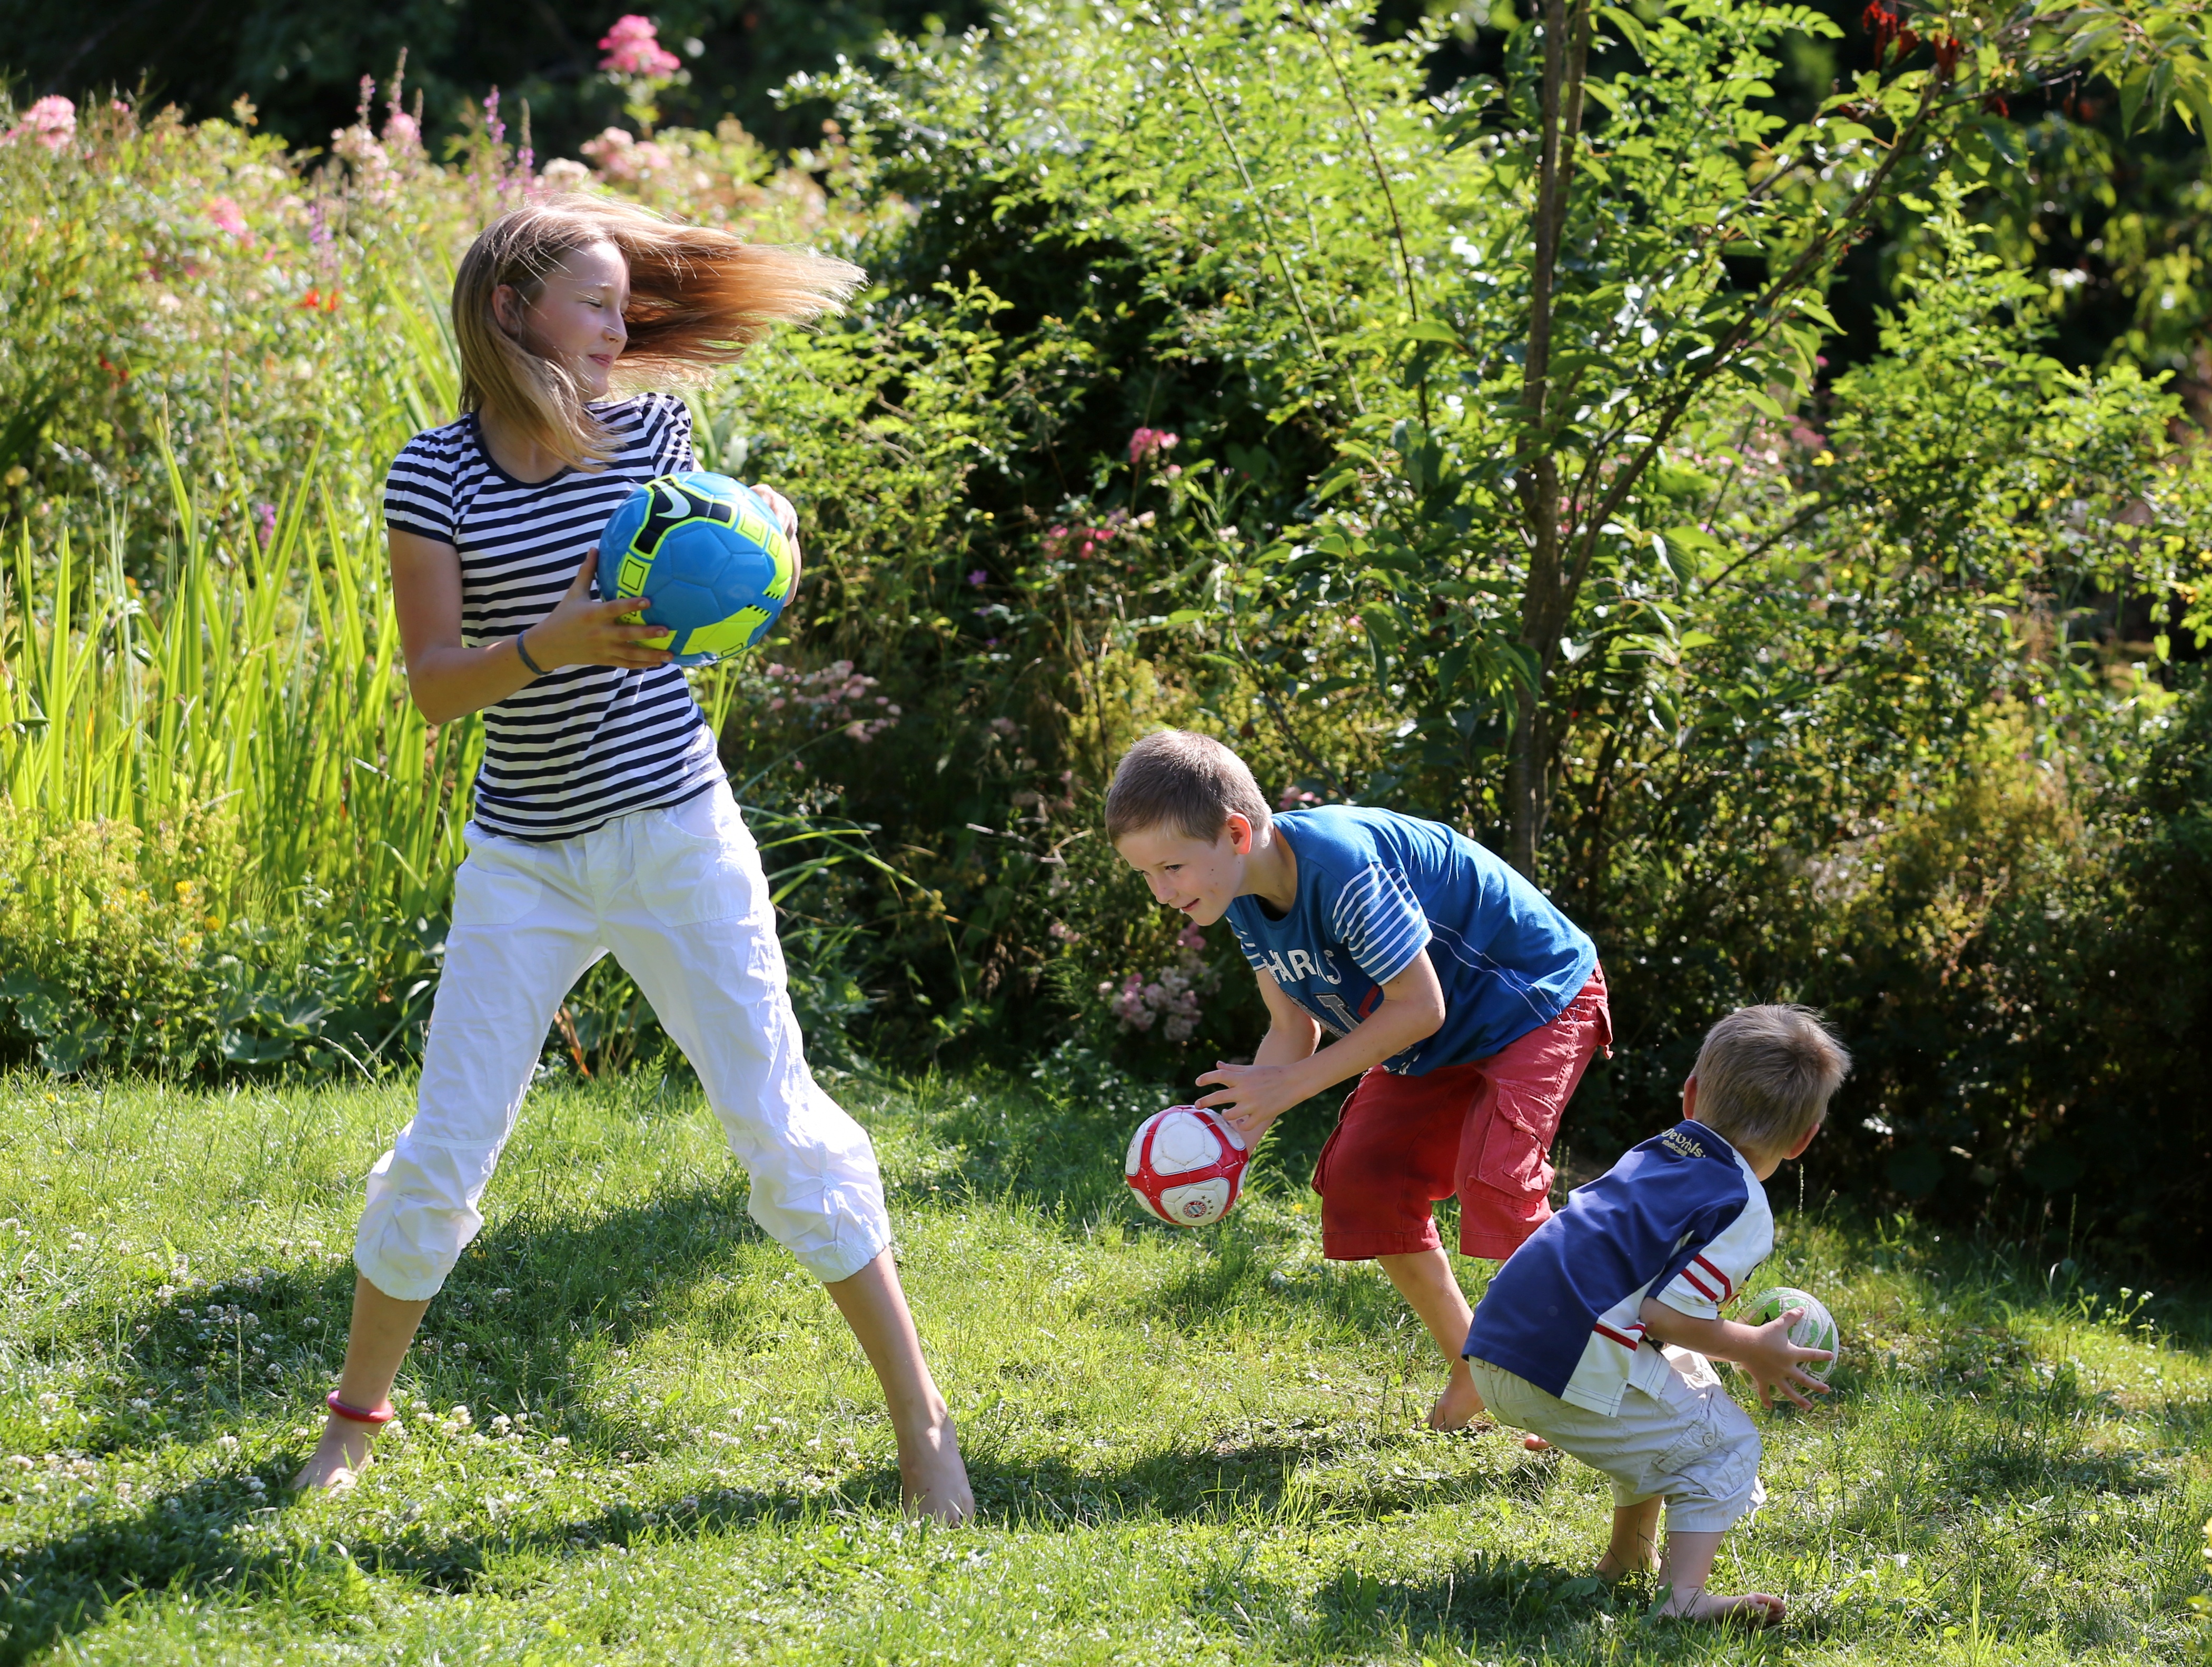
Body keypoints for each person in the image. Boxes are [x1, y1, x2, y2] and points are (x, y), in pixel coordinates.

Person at [290, 195, 973, 1522]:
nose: (623, 327)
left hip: (672, 829)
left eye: (622, 303)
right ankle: (354, 1424)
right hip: (524, 858)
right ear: (511, 311)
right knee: (444, 1150)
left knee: (778, 1126)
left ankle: (922, 1421)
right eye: (595, 303)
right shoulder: (430, 473)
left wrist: (759, 540)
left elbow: (706, 582)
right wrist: (555, 639)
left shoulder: (653, 432)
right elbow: (435, 687)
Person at [1106, 729, 1610, 1431]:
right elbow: (1292, 1030)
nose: (1162, 892)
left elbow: (1420, 1005)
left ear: (1235, 832)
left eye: (1171, 868)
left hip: (1532, 999)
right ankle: (1475, 1364)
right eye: (1147, 876)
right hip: (1437, 1033)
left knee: (1497, 1181)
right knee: (1364, 1182)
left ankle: (1590, 1370)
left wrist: (1291, 1085)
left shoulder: (1339, 867)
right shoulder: (1242, 894)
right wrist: (1234, 1132)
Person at [1462, 1005, 1851, 1623]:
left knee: (1688, 1384)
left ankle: (1625, 1559)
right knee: (1723, 1443)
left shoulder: (1661, 1150)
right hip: (1560, 1368)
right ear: (1803, 1139)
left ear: (1690, 1096)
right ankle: (1685, 1599)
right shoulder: (1740, 1206)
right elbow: (1664, 1312)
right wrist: (1752, 1345)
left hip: (1495, 1347)